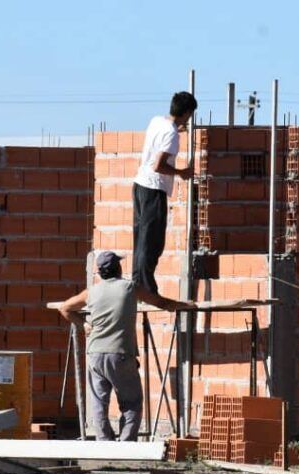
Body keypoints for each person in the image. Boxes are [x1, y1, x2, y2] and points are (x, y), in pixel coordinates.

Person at [58, 251, 195, 441]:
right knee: (131, 402)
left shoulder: (91, 292)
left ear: (99, 272)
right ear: (118, 268)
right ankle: (126, 444)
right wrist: (185, 305)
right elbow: (161, 302)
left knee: (99, 402)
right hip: (120, 353)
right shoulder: (130, 288)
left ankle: (104, 444)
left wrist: (84, 325)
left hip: (95, 354)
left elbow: (64, 308)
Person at [131, 91, 198, 294]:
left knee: (141, 237)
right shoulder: (171, 134)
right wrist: (182, 172)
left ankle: (138, 282)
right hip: (153, 188)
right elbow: (158, 165)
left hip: (140, 185)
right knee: (152, 241)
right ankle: (145, 286)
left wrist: (176, 129)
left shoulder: (157, 121)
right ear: (186, 112)